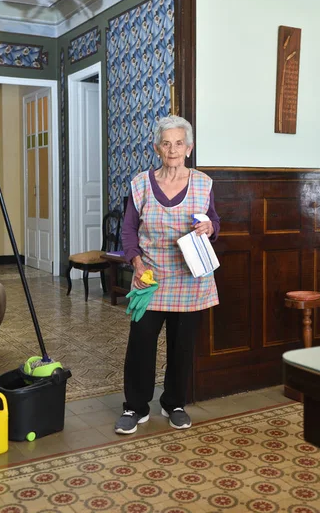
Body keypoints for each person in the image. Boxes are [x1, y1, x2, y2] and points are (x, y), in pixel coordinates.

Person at [114, 116, 220, 435]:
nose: (172, 149)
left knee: (182, 346)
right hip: (150, 275)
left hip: (191, 278)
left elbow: (213, 221)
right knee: (141, 343)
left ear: (189, 148)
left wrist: (210, 227)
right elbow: (129, 228)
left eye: (178, 143)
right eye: (166, 143)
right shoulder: (141, 183)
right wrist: (136, 261)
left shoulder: (203, 183)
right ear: (157, 148)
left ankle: (174, 402)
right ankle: (135, 406)